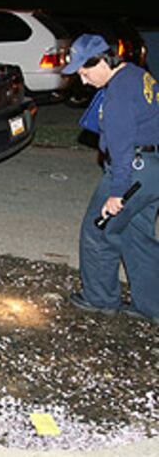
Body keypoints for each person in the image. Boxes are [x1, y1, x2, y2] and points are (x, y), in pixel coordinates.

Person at [65, 34, 159, 324]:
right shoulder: (137, 74)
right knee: (136, 235)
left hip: (133, 169)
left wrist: (117, 192)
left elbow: (121, 147)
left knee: (98, 230)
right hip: (154, 168)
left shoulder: (118, 93)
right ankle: (151, 305)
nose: (83, 80)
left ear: (103, 61)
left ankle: (99, 298)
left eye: (85, 71)